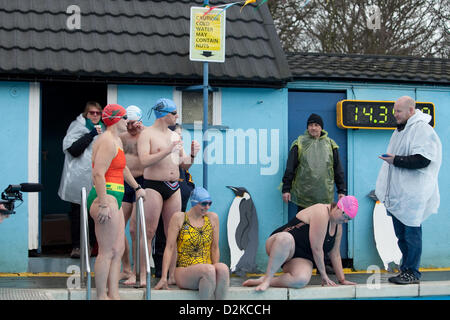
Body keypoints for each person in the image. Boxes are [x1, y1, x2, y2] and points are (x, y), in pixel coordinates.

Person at [375, 96, 442, 285]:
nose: (394, 114)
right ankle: (405, 269)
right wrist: (393, 159)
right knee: (401, 236)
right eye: (394, 110)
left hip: (413, 195)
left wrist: (395, 160)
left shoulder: (422, 130)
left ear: (411, 111)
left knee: (412, 234)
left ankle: (412, 272)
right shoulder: (401, 130)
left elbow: (423, 159)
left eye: (398, 111)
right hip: (400, 194)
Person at [137, 98, 199, 286]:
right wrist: (167, 150)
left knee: (173, 233)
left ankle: (171, 276)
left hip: (174, 187)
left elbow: (183, 164)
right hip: (153, 186)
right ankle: (142, 274)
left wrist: (193, 154)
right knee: (148, 232)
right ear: (164, 115)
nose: (177, 116)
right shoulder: (146, 134)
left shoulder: (175, 136)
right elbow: (144, 161)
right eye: (174, 113)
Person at [87, 104, 146, 300]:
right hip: (106, 197)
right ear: (114, 120)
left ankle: (114, 294)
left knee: (118, 249)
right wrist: (103, 202)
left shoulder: (117, 140)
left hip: (116, 197)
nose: (127, 122)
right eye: (124, 118)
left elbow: (122, 169)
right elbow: (97, 173)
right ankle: (101, 296)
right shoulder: (107, 141)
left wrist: (137, 187)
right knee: (106, 251)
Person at [243, 196, 358, 291]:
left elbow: (335, 253)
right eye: (345, 216)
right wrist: (324, 275)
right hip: (280, 244)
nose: (346, 221)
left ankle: (263, 280)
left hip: (301, 257)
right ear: (338, 207)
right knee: (285, 239)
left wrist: (342, 279)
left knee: (301, 280)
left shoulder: (338, 227)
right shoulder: (321, 212)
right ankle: (267, 279)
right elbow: (317, 248)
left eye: (349, 219)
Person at [281, 113, 346, 272]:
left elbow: (338, 169)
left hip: (325, 197)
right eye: (310, 125)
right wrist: (286, 188)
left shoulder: (331, 145)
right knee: (303, 231)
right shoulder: (299, 143)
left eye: (316, 125)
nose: (313, 127)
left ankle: (322, 262)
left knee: (325, 232)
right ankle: (303, 260)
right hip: (303, 196)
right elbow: (290, 167)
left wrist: (342, 189)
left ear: (321, 127)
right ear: (307, 127)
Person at [154, 187, 229, 300]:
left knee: (223, 268)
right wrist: (164, 277)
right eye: (203, 203)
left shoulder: (212, 218)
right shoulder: (179, 218)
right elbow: (169, 248)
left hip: (207, 268)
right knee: (208, 270)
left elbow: (214, 248)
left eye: (209, 203)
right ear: (194, 203)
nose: (207, 207)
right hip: (184, 270)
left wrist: (216, 271)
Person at [58, 101, 105, 258]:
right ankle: (77, 247)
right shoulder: (77, 126)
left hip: (97, 177)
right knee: (78, 213)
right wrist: (90, 135)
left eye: (98, 113)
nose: (95, 116)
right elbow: (73, 149)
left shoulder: (105, 130)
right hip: (78, 178)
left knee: (95, 213)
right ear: (86, 114)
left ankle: (91, 245)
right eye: (92, 113)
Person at [153, 123, 197, 278]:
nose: (180, 139)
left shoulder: (179, 153)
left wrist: (192, 154)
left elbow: (186, 167)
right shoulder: (160, 153)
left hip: (180, 198)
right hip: (163, 195)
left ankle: (176, 269)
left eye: (181, 136)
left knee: (178, 233)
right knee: (162, 233)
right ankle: (160, 269)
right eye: (177, 136)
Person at [118, 105, 145, 285]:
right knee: (119, 228)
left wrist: (143, 131)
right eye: (127, 122)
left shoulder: (146, 134)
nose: (130, 126)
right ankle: (126, 268)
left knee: (135, 230)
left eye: (133, 123)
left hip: (142, 183)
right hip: (124, 183)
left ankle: (137, 271)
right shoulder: (121, 137)